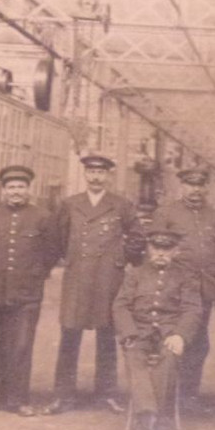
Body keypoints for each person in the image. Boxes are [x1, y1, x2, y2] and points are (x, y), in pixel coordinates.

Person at [44, 153, 136, 415]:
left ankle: (106, 394)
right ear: (85, 174)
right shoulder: (70, 204)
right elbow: (57, 238)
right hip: (78, 277)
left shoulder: (121, 205)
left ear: (108, 176)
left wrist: (119, 260)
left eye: (101, 172)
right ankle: (63, 396)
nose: (96, 177)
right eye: (91, 172)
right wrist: (70, 259)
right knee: (69, 335)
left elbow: (137, 237)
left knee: (107, 335)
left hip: (109, 278)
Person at [0, 165, 53, 417]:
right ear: (3, 190)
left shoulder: (43, 217)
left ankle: (18, 399)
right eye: (11, 187)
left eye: (20, 187)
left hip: (27, 293)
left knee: (21, 346)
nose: (16, 191)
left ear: (29, 189)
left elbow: (51, 253)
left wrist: (34, 274)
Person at [113, 229, 203, 430]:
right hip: (140, 332)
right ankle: (149, 416)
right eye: (156, 248)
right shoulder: (135, 274)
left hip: (169, 333)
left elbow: (193, 309)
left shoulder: (186, 276)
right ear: (149, 249)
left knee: (169, 357)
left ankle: (147, 419)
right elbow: (120, 305)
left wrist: (180, 335)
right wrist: (129, 333)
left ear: (176, 251)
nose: (161, 253)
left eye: (167, 249)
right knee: (134, 356)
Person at [155, 167, 215, 412]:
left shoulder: (214, 215)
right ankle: (169, 394)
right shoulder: (167, 212)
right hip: (175, 289)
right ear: (182, 186)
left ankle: (189, 396)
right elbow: (154, 251)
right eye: (190, 185)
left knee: (199, 342)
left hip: (205, 288)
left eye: (200, 185)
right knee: (176, 338)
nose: (195, 190)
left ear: (205, 188)